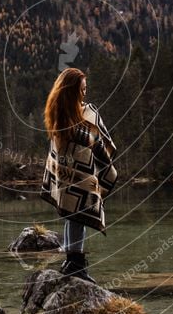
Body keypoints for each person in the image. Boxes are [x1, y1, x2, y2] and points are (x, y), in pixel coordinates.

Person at [40, 67, 118, 284]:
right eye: (81, 90)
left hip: (74, 176)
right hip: (76, 176)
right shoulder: (68, 116)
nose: (85, 93)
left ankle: (71, 261)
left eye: (86, 89)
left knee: (73, 216)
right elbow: (93, 139)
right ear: (71, 91)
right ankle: (75, 265)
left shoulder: (62, 113)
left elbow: (92, 139)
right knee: (77, 216)